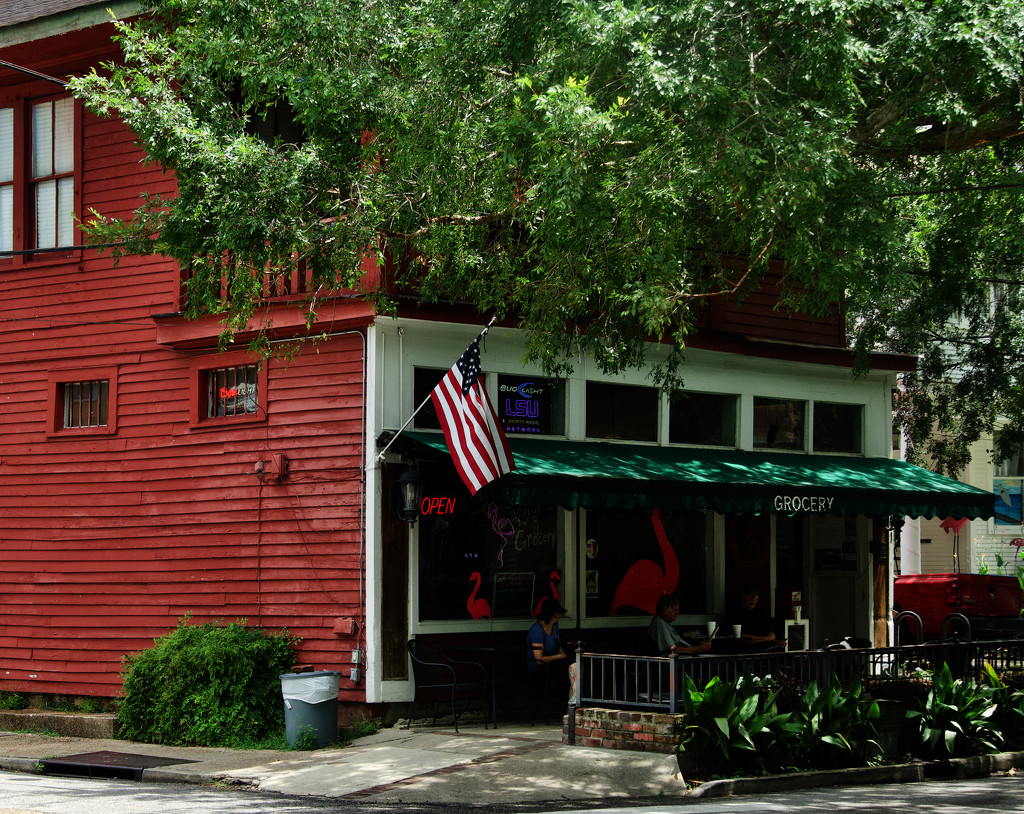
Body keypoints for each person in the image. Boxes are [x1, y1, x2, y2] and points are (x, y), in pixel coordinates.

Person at [526, 597, 570, 708]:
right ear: (554, 613)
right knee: (564, 671)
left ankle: (572, 701)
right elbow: (538, 659)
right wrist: (559, 657)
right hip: (539, 670)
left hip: (553, 665)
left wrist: (564, 657)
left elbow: (558, 645)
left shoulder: (555, 626)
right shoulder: (537, 630)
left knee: (572, 667)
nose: (559, 616)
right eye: (558, 613)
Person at [647, 594, 712, 656]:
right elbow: (673, 650)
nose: (678, 613)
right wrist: (699, 649)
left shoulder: (665, 622)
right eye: (676, 610)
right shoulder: (659, 622)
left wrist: (700, 646)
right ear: (665, 609)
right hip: (677, 662)